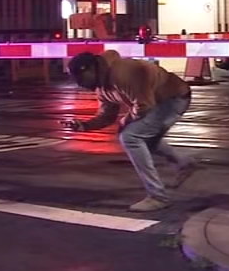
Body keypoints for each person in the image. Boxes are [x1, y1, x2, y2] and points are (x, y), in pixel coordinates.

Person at [63, 50, 196, 212]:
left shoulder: (122, 72)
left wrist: (126, 120)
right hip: (157, 102)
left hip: (174, 98)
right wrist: (84, 125)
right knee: (144, 137)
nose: (80, 84)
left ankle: (158, 197)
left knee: (131, 137)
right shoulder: (102, 86)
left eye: (80, 78)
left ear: (90, 69)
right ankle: (184, 164)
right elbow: (107, 116)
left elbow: (144, 105)